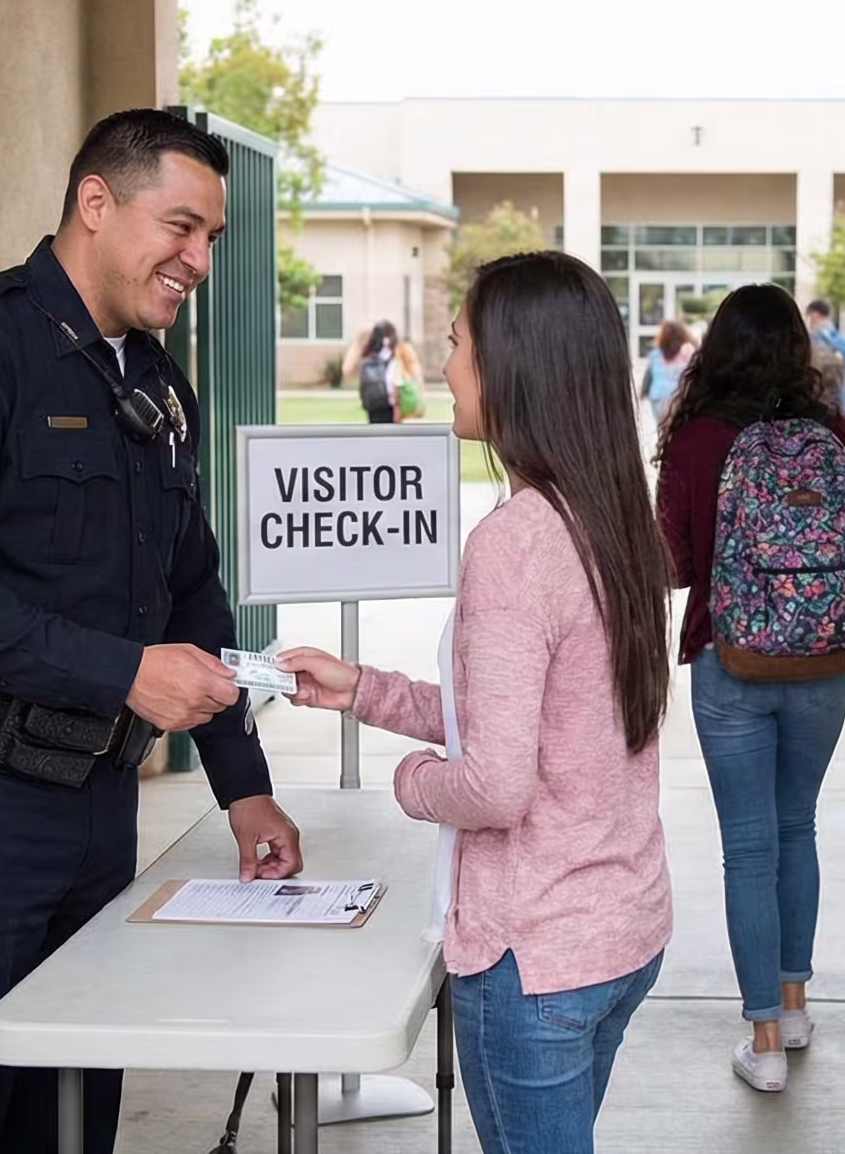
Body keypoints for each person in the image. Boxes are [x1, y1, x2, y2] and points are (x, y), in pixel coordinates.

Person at [0, 108, 302, 1154]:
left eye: (211, 240)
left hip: (94, 806)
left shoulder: (154, 384)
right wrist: (122, 674)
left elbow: (194, 594)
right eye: (180, 227)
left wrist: (241, 783)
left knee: (69, 1115)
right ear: (95, 203)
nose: (196, 259)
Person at [281, 251, 672, 1154]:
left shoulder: (514, 543)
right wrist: (364, 692)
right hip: (621, 936)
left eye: (457, 343)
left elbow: (494, 786)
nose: (443, 364)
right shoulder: (608, 517)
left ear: (513, 368)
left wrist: (413, 781)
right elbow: (540, 719)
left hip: (535, 960)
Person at [657, 284, 845, 1094]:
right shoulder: (835, 434)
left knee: (748, 847)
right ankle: (798, 1006)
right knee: (797, 827)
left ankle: (763, 1040)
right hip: (826, 662)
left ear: (717, 347)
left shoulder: (698, 439)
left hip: (730, 660)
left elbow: (674, 566)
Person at [640, 319, 695, 427]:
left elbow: (648, 376)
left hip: (657, 396)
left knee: (661, 430)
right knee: (676, 430)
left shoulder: (655, 354)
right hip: (678, 396)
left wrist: (642, 393)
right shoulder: (687, 351)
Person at [805, 297, 845, 412]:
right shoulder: (838, 337)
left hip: (822, 402)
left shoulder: (815, 337)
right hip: (839, 403)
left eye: (810, 315)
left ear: (815, 314)